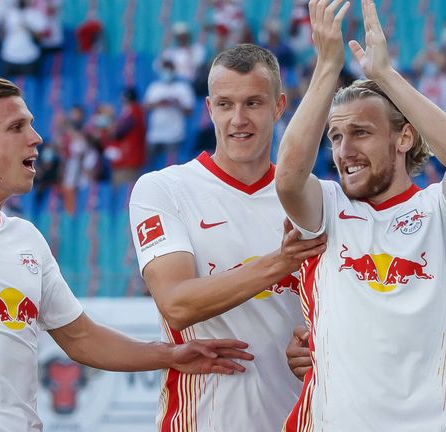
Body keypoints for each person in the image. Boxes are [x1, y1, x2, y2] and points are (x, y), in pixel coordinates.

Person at [0, 74, 253, 431]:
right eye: (16, 127)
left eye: (31, 125)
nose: (36, 138)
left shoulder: (26, 238)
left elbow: (81, 337)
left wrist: (170, 355)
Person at [276, 1, 446, 429]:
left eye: (361, 132)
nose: (344, 150)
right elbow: (289, 178)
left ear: (405, 136)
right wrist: (327, 66)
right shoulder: (329, 208)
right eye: (335, 136)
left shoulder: (441, 212)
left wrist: (384, 75)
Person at [128, 44, 327, 431]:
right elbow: (176, 304)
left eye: (253, 103)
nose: (238, 119)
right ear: (208, 108)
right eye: (225, 104)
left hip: (302, 419)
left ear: (279, 105)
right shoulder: (164, 189)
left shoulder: (315, 197)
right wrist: (279, 264)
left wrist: (317, 348)